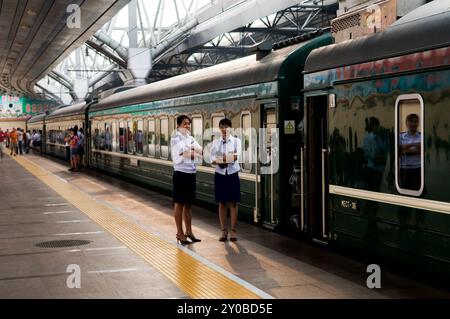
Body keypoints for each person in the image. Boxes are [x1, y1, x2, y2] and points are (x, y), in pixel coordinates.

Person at [170, 115, 203, 245]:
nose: (187, 126)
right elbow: (184, 154)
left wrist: (191, 151)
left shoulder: (190, 138)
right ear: (178, 125)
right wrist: (191, 152)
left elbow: (201, 151)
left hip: (191, 173)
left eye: (189, 123)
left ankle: (189, 232)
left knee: (188, 205)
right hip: (180, 173)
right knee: (179, 203)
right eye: (185, 123)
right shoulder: (175, 138)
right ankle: (180, 233)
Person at [210, 118, 242, 242]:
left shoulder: (236, 141)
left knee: (233, 203)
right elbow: (211, 159)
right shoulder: (215, 143)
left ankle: (233, 231)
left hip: (232, 173)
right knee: (222, 203)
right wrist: (226, 158)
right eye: (222, 127)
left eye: (226, 126)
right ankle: (224, 231)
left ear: (230, 128)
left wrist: (221, 158)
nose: (224, 129)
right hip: (220, 174)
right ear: (219, 129)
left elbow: (236, 156)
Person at [399, 113, 421, 190]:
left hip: (417, 168)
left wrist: (405, 151)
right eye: (410, 121)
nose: (412, 124)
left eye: (415, 121)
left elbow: (421, 150)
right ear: (406, 123)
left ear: (418, 123)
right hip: (404, 168)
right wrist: (415, 144)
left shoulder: (421, 136)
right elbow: (399, 151)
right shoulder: (401, 136)